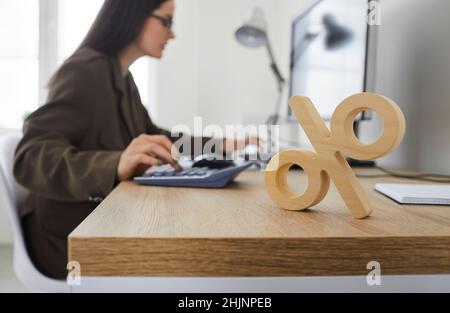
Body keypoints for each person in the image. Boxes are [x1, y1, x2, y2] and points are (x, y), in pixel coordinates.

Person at [13, 0, 253, 279]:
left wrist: (217, 145)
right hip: (67, 242)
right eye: (167, 21)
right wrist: (115, 164)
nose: (172, 34)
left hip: (99, 224)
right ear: (134, 16)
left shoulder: (122, 78)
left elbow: (156, 137)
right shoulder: (85, 71)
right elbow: (30, 156)